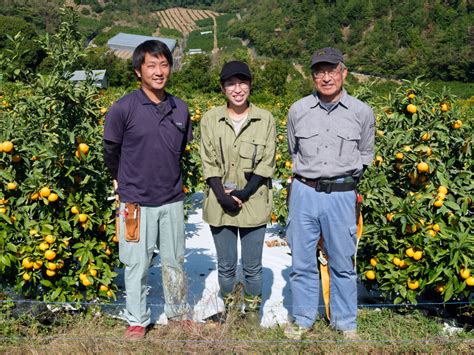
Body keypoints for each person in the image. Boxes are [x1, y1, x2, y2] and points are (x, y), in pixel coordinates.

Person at [103, 40, 192, 340]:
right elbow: (110, 150)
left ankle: (178, 313)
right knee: (136, 263)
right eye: (151, 65)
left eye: (164, 64)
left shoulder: (181, 108)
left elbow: (179, 150)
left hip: (171, 200)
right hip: (135, 202)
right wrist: (121, 182)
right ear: (138, 71)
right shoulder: (122, 109)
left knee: (174, 261)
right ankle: (137, 319)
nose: (158, 71)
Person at [285, 47, 375, 339]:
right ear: (313, 76)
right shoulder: (298, 110)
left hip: (341, 194)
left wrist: (341, 181)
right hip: (304, 192)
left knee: (343, 262)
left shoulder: (362, 112)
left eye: (332, 70)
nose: (326, 77)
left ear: (344, 73)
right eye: (319, 72)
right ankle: (302, 319)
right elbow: (293, 150)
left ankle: (345, 323)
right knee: (301, 261)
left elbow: (365, 155)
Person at [200, 61, 276, 325]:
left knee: (253, 266)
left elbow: (267, 161)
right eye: (231, 83)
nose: (238, 89)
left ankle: (252, 315)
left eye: (243, 82)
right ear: (223, 88)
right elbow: (208, 160)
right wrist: (222, 196)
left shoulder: (264, 119)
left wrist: (244, 193)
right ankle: (231, 312)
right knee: (227, 265)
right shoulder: (210, 119)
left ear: (250, 85)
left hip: (253, 201)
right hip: (219, 202)